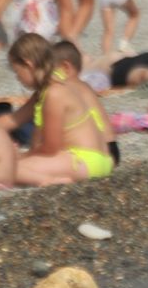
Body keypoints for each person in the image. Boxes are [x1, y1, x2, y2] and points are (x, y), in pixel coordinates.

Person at [7, 32, 114, 185]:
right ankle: (54, 180)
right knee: (12, 168)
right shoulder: (59, 82)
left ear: (28, 64)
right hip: (102, 157)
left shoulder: (54, 93)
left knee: (8, 169)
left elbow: (51, 148)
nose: (18, 78)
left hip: (85, 160)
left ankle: (47, 181)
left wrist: (22, 156)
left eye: (18, 72)